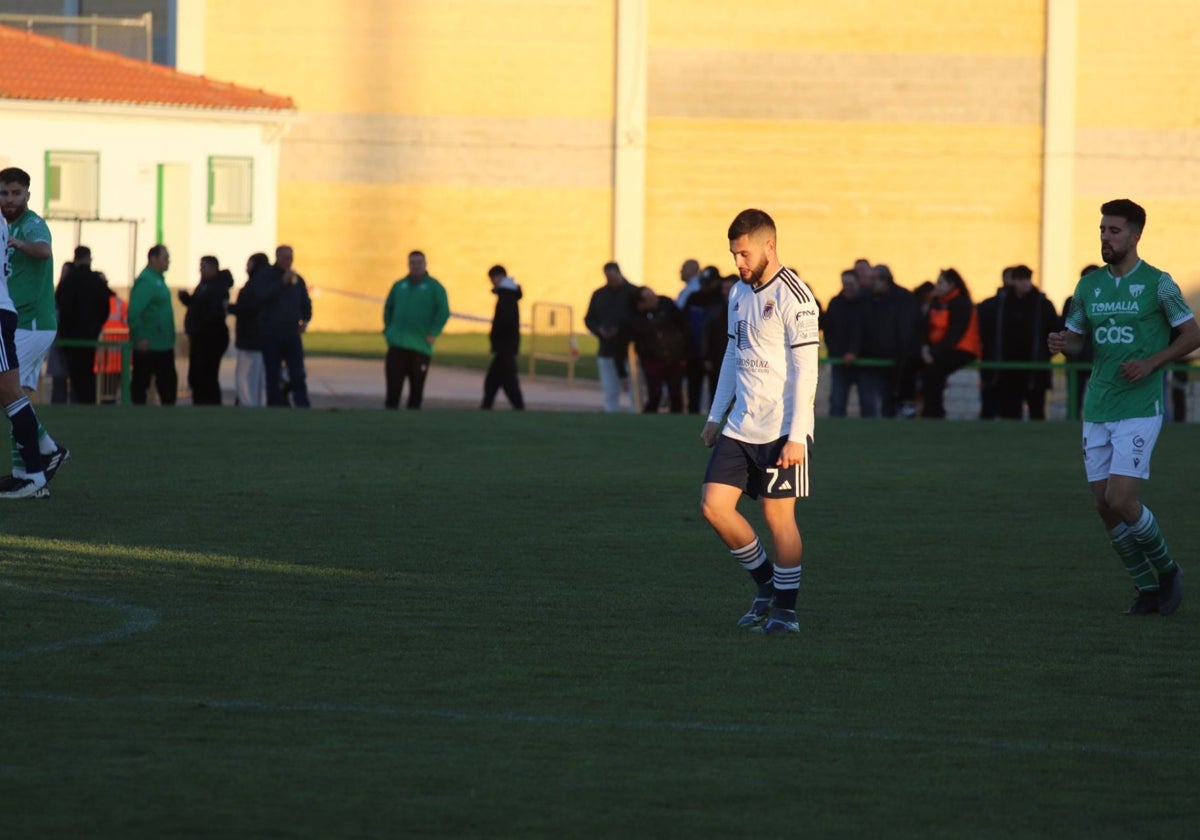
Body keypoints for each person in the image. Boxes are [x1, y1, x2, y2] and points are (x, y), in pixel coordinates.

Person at [1048, 198, 1199, 616]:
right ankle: (1146, 586)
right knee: (1103, 506)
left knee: (1120, 498)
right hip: (1098, 404)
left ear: (1135, 236)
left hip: (1139, 404)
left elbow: (1191, 335)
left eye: (1114, 231)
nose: (1105, 237)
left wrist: (1151, 362)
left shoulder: (1159, 284)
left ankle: (1168, 571)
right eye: (1102, 230)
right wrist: (1063, 344)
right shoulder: (1088, 287)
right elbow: (1078, 343)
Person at [700, 209, 820, 635]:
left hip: (782, 430)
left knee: (778, 518)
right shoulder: (738, 293)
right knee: (714, 507)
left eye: (745, 253)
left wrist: (799, 436)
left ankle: (786, 612)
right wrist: (716, 414)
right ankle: (767, 583)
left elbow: (808, 371)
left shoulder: (797, 297)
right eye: (735, 254)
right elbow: (734, 354)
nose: (739, 263)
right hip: (739, 425)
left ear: (769, 245)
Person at [0, 166, 69, 483]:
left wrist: (17, 242)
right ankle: (42, 455)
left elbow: (44, 250)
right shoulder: (5, 223)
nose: (10, 199)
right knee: (17, 394)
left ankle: (31, 467)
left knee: (9, 391)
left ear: (28, 194)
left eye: (16, 193)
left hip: (33, 322)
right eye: (4, 193)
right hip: (21, 322)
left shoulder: (31, 224)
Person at [382, 250, 449, 410]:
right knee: (393, 387)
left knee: (416, 389)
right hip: (397, 344)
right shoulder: (399, 285)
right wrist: (388, 330)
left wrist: (433, 332)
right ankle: (389, 420)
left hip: (420, 346)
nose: (416, 266)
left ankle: (413, 422)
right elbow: (388, 308)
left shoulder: (434, 287)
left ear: (425, 264)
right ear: (408, 264)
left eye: (419, 263)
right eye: (413, 263)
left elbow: (443, 311)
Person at [989, 265, 1058, 420]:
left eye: (1027, 279)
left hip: (1035, 367)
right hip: (1008, 368)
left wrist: (1046, 354)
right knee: (1010, 411)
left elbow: (1054, 330)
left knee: (1037, 411)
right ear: (1013, 281)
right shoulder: (1001, 304)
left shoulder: (1042, 304)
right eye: (1021, 279)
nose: (1025, 283)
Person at [256, 245, 312, 408]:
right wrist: (282, 283)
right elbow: (262, 297)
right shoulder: (267, 276)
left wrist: (305, 320)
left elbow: (305, 302)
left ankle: (302, 404)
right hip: (271, 333)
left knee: (297, 372)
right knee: (272, 373)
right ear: (278, 257)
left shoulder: (297, 280)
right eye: (286, 257)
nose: (289, 261)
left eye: (291, 258)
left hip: (291, 333)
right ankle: (274, 404)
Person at [920, 267, 980, 418]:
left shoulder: (961, 303)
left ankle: (934, 412)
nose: (937, 286)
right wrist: (926, 348)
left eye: (941, 283)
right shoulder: (937, 302)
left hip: (962, 350)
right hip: (938, 350)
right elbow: (926, 328)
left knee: (935, 370)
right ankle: (922, 408)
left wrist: (933, 353)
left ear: (952, 284)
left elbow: (955, 334)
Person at [54, 246, 110, 405]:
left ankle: (77, 401)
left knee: (75, 373)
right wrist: (97, 326)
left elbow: (61, 303)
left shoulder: (69, 280)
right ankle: (89, 401)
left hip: (71, 336)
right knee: (88, 372)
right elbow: (105, 306)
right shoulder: (96, 281)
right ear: (89, 258)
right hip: (91, 335)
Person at [178, 256, 232, 405]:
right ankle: (201, 402)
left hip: (210, 338)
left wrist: (199, 329)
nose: (200, 270)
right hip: (200, 337)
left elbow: (213, 313)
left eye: (204, 266)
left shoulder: (217, 287)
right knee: (198, 374)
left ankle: (209, 403)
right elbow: (197, 305)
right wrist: (186, 299)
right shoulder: (205, 285)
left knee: (207, 374)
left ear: (213, 268)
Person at [128, 244, 178, 405]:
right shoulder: (147, 281)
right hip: (149, 344)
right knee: (141, 384)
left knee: (168, 386)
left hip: (163, 344)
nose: (168, 262)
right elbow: (134, 312)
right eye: (165, 258)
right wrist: (139, 337)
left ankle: (167, 420)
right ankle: (137, 417)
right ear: (153, 258)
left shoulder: (158, 280)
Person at [584, 261, 637, 413]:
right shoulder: (599, 294)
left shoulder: (633, 293)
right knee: (610, 389)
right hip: (606, 348)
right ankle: (611, 412)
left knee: (634, 390)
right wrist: (599, 330)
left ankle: (636, 413)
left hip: (628, 349)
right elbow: (589, 319)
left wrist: (622, 330)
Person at [628, 286, 688, 413]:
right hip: (653, 358)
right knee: (655, 393)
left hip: (674, 356)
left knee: (675, 392)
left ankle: (677, 416)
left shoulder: (667, 306)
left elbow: (682, 327)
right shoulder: (639, 317)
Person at [820, 268, 871, 417]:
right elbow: (829, 331)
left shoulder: (867, 303)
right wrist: (840, 353)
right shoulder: (835, 303)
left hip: (864, 361)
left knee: (868, 403)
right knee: (837, 402)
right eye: (844, 283)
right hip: (839, 361)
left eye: (850, 283)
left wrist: (855, 352)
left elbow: (868, 331)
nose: (847, 287)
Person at [481, 264, 524, 410]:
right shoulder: (507, 294)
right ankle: (486, 406)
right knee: (494, 380)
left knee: (507, 381)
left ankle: (518, 407)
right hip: (505, 347)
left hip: (505, 347)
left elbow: (504, 322)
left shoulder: (506, 296)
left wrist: (496, 339)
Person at [229, 252, 270, 407]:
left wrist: (230, 308)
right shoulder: (267, 283)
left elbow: (248, 308)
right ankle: (256, 403)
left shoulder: (254, 285)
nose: (246, 268)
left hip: (250, 338)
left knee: (245, 375)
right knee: (258, 376)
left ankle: (247, 403)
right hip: (260, 337)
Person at [1060, 263, 1099, 417]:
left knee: (1098, 399)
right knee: (1074, 398)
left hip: (1099, 360)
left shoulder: (1110, 302)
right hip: (1075, 358)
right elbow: (1065, 327)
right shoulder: (1072, 302)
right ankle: (1073, 421)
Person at [976, 266, 1014, 419]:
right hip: (992, 360)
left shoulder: (1033, 304)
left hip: (998, 360)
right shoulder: (990, 306)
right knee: (991, 404)